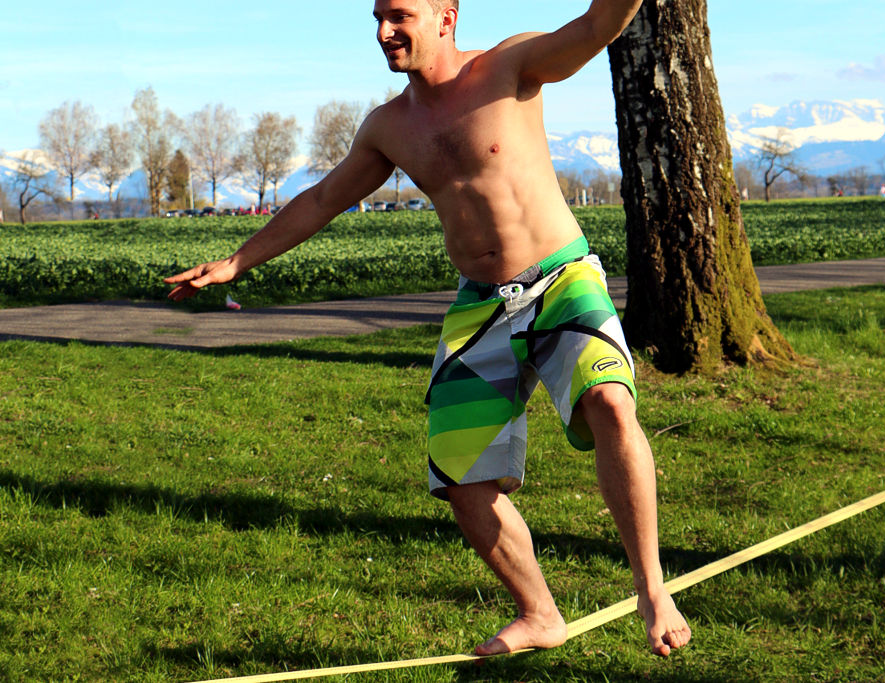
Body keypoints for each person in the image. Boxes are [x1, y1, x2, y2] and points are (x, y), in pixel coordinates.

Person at [165, 0, 690, 658]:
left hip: (561, 280)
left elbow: (595, 26)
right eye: (378, 17)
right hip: (479, 305)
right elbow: (324, 198)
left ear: (446, 15)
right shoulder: (389, 126)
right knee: (460, 475)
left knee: (610, 400)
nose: (385, 32)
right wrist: (237, 261)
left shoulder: (512, 66)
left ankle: (652, 591)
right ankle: (539, 612)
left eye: (400, 15)